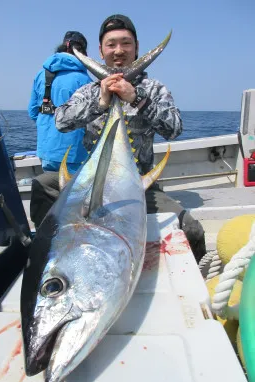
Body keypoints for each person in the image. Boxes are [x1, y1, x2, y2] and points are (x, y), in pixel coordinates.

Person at [55, 14, 206, 263]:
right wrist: (100, 102)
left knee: (192, 230)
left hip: (139, 185)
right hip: (92, 186)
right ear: (101, 52)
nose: (118, 50)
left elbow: (175, 128)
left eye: (126, 43)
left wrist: (137, 99)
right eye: (111, 44)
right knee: (42, 190)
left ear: (136, 49)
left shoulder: (154, 89)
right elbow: (61, 122)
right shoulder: (88, 91)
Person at [28, 31, 92, 228]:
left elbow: (32, 112)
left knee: (51, 196)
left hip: (47, 152)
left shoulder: (42, 74)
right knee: (74, 203)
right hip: (75, 154)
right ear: (82, 52)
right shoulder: (85, 78)